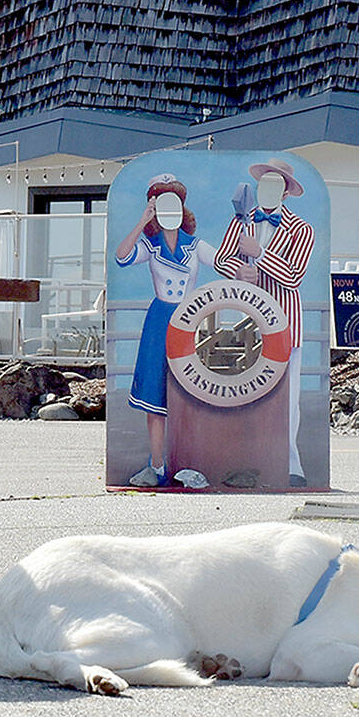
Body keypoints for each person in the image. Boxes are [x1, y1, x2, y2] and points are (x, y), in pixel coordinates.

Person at [213, 158, 315, 487]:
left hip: (286, 325)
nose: (267, 190)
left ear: (286, 193)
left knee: (287, 397)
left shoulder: (302, 229)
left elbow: (294, 275)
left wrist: (258, 254)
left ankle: (290, 465)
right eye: (264, 184)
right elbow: (220, 259)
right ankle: (248, 463)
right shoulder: (241, 222)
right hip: (249, 325)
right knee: (247, 394)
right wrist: (239, 271)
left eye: (276, 185)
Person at [115, 173, 216, 487]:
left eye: (172, 201)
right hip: (160, 320)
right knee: (155, 395)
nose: (167, 208)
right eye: (159, 203)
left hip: (189, 321)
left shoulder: (195, 245)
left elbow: (225, 262)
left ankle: (187, 465)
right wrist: (141, 221)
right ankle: (156, 465)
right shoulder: (151, 245)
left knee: (189, 395)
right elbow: (121, 256)